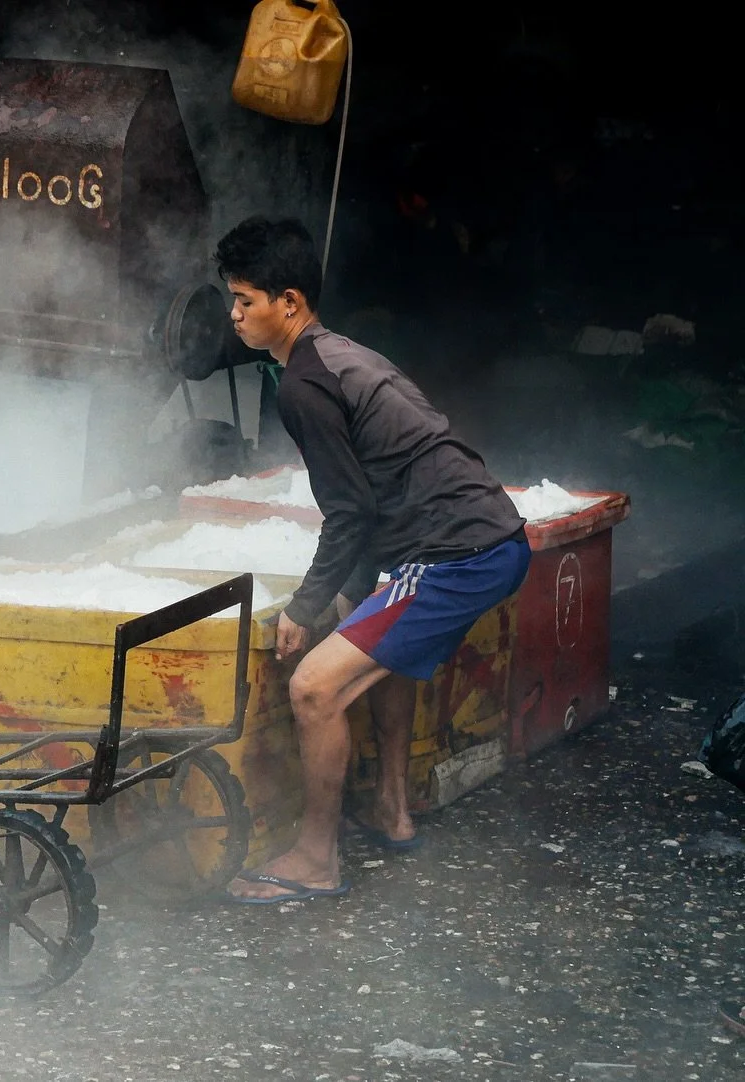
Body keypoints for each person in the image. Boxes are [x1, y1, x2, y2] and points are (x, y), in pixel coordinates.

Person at [213, 216, 531, 904]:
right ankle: (391, 810)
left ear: (288, 303)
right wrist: (343, 597)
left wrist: (304, 606)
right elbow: (371, 503)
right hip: (486, 539)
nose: (233, 315)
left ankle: (315, 858)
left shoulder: (303, 383)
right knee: (371, 641)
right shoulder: (339, 353)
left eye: (244, 301)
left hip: (458, 553)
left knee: (315, 688)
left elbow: (350, 510)